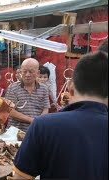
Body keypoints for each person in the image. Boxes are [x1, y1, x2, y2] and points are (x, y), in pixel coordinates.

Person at [11, 51, 108, 179]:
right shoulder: (42, 124)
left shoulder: (43, 126)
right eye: (24, 71)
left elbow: (20, 178)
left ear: (70, 87)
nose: (27, 75)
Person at [5, 58, 50, 132]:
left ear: (38, 73)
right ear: (20, 72)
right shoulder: (13, 88)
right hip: (14, 132)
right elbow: (9, 111)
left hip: (35, 131)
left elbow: (45, 109)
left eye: (31, 71)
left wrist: (38, 122)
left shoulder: (44, 88)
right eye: (24, 71)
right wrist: (32, 120)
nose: (27, 74)